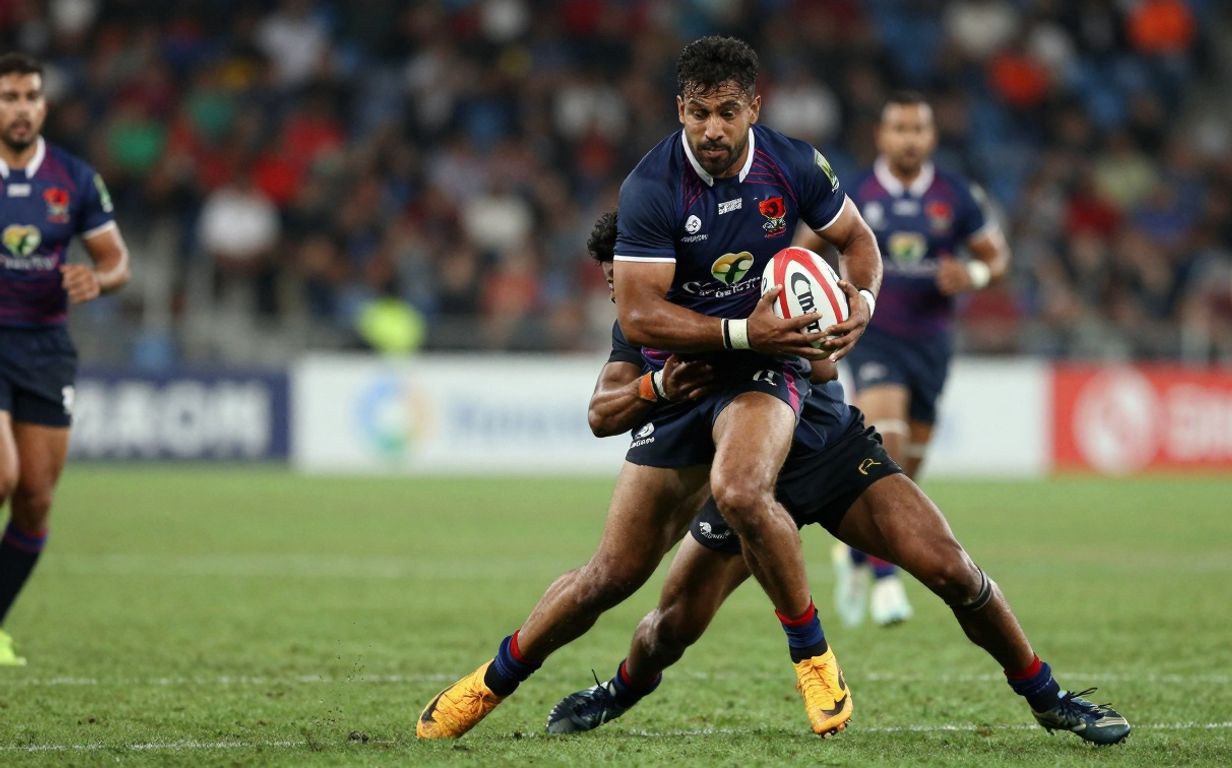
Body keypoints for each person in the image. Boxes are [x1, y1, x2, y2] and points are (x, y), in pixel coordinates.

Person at [416, 37, 883, 740]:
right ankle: (491, 682)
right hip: (694, 373)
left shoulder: (792, 163)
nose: (713, 129)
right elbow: (637, 317)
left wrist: (863, 307)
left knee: (743, 489)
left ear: (754, 105)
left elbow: (860, 244)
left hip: (766, 367)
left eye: (727, 111)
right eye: (698, 113)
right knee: (609, 577)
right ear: (680, 110)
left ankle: (812, 656)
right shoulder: (653, 187)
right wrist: (700, 358)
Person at [540, 209, 1129, 746]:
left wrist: (831, 319)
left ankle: (1049, 697)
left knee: (952, 569)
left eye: (628, 269)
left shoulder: (749, 276)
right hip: (750, 485)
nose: (620, 285)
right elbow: (607, 408)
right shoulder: (649, 325)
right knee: (670, 627)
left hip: (829, 448)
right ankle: (618, 691)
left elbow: (821, 365)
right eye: (614, 274)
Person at [798, 92, 1010, 629]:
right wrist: (821, 290)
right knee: (886, 439)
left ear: (931, 136)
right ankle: (887, 583)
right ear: (882, 135)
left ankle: (854, 553)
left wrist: (974, 276)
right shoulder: (855, 193)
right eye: (899, 128)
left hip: (932, 344)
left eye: (919, 129)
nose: (909, 138)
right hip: (873, 335)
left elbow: (996, 256)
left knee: (904, 473)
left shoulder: (956, 194)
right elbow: (804, 247)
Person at [0, 52, 131, 666]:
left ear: (43, 106)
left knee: (36, 498)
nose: (20, 108)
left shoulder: (73, 177)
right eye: (8, 97)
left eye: (29, 96)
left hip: (46, 347)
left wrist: (97, 282)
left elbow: (117, 261)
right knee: (1, 474)